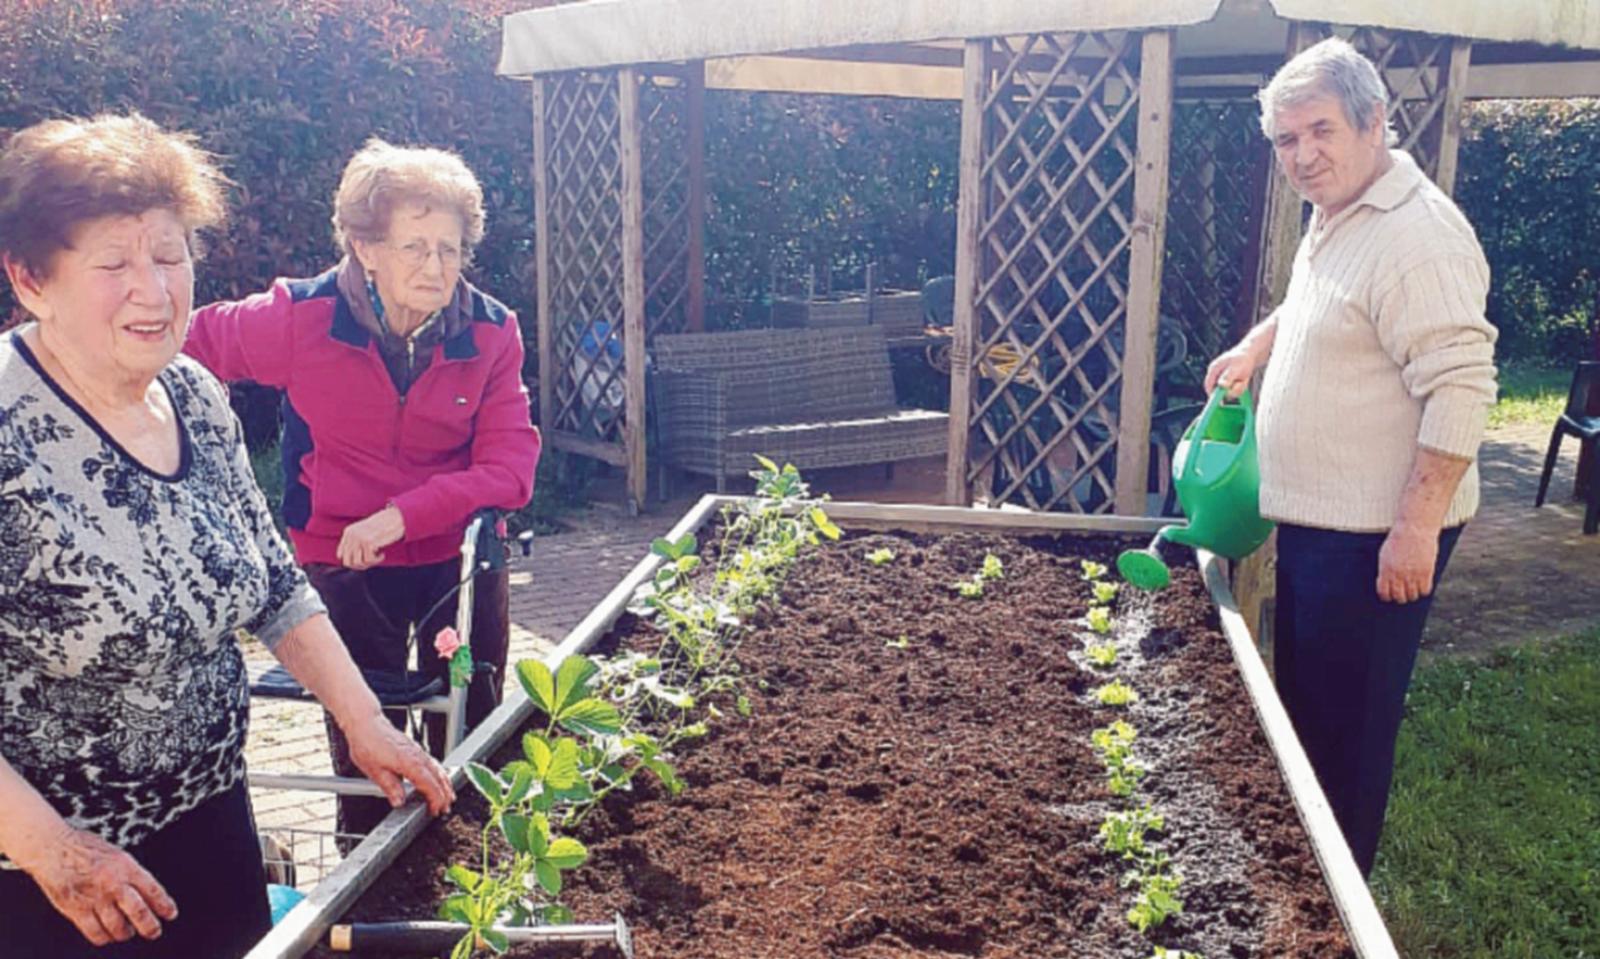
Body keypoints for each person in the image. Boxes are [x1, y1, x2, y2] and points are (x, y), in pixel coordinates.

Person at [0, 113, 455, 958]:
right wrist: (50, 851)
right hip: (56, 888)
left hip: (214, 828)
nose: (155, 288)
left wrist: (365, 722)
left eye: (171, 256)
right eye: (114, 264)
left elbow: (275, 585)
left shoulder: (195, 397)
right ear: (30, 279)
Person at [184, 138, 540, 843]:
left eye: (450, 247)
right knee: (368, 734)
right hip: (339, 556)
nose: (436, 267)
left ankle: (475, 861)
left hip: (452, 553)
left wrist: (401, 516)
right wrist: (188, 459)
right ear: (364, 246)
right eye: (414, 247)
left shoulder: (492, 331)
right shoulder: (301, 318)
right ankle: (368, 879)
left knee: (475, 719)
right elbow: (180, 343)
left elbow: (513, 471)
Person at [1205, 38, 1498, 875]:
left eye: (1320, 130)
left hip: (1378, 537)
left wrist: (1417, 525)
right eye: (1287, 140)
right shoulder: (1339, 210)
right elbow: (1318, 301)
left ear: (1375, 123)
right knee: (1309, 716)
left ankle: (1341, 905)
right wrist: (1260, 346)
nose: (1303, 155)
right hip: (1322, 523)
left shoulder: (1417, 234)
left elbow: (1463, 384)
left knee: (1350, 732)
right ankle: (1310, 879)